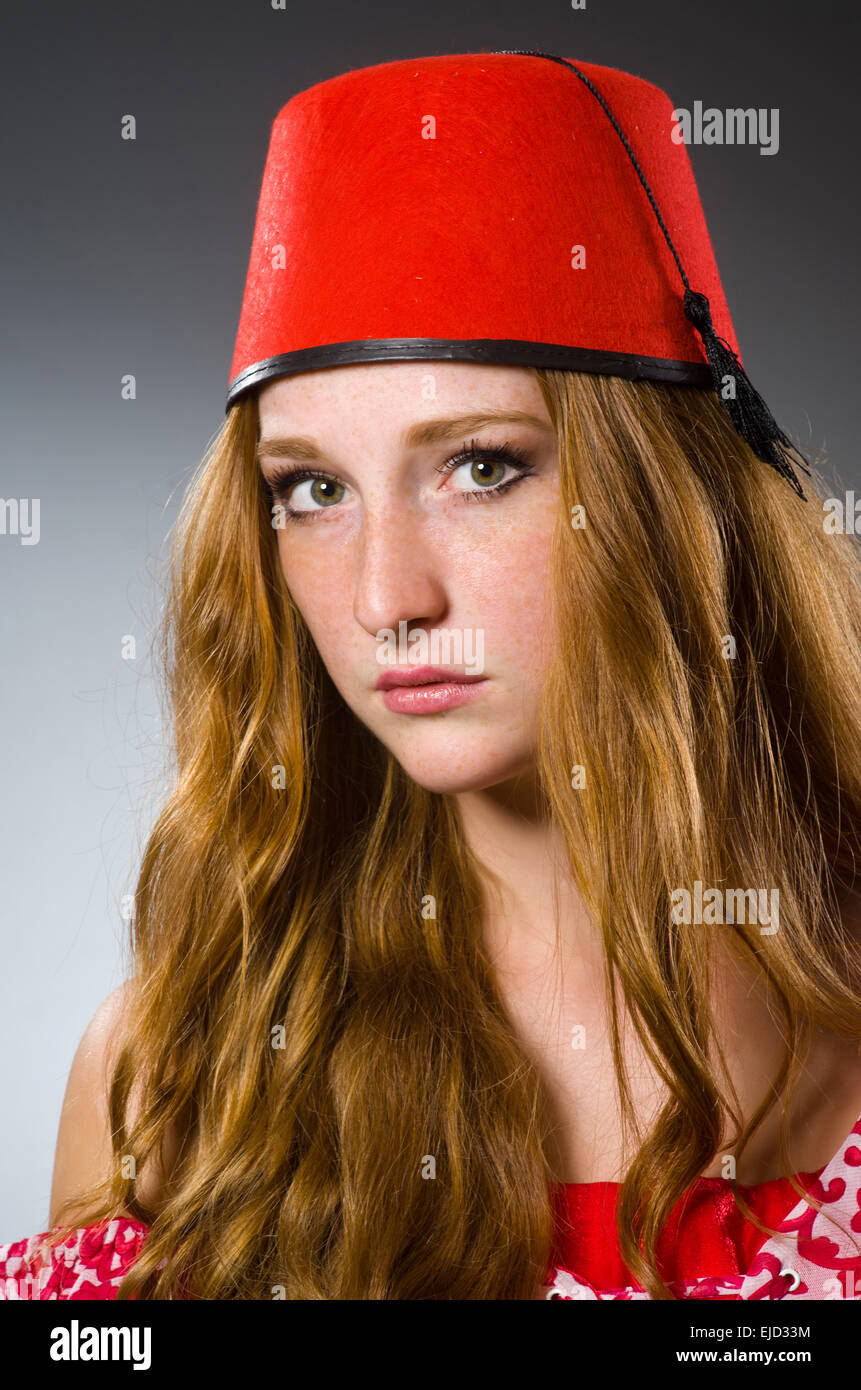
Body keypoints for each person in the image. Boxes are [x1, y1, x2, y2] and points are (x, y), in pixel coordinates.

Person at [2, 50, 860, 1303]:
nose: (385, 598)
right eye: (313, 490)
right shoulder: (170, 1078)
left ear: (662, 502)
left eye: (480, 466)